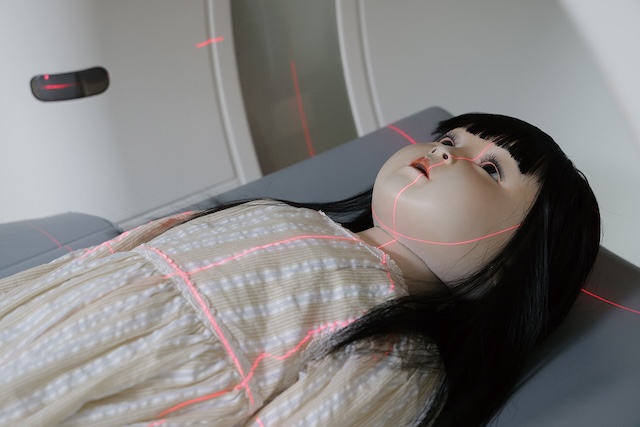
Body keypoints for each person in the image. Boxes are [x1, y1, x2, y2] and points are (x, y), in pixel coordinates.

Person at [0, 113, 600, 427]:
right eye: (451, 137)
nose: (446, 150)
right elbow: (106, 261)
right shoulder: (275, 213)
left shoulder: (398, 354)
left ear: (514, 267)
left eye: (491, 168)